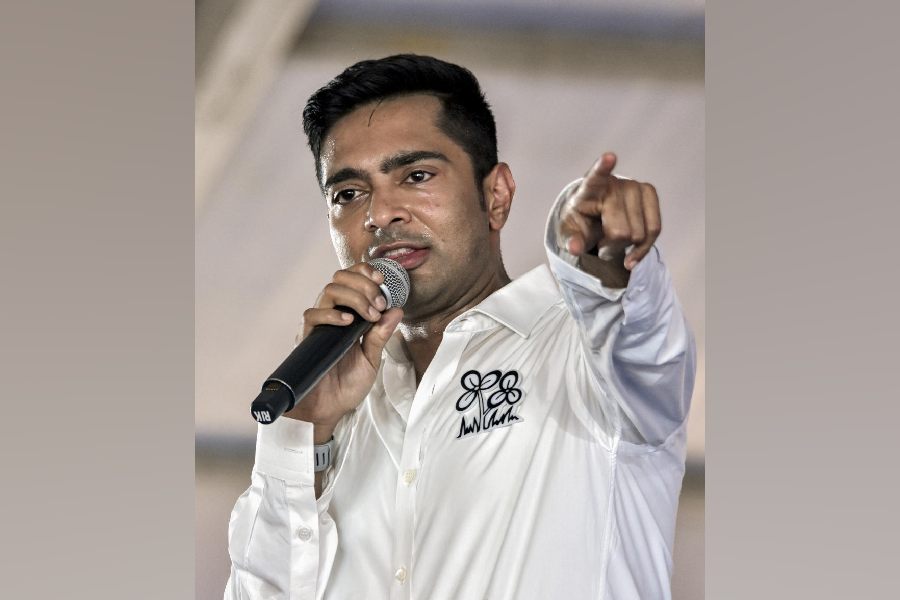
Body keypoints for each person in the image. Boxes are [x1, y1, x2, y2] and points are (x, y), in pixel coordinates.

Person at [225, 54, 695, 600]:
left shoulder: (582, 351)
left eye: (417, 176)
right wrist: (305, 432)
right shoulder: (337, 404)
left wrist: (603, 263)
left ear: (495, 197)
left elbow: (642, 344)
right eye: (349, 194)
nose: (380, 213)